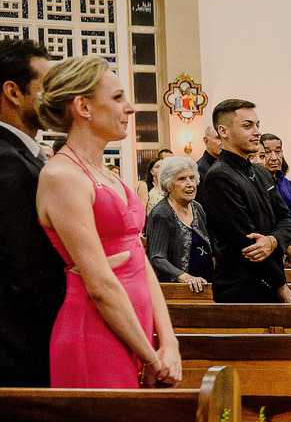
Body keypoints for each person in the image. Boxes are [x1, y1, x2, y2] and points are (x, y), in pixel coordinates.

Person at [34, 56, 182, 388]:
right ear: (83, 106)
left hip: (135, 328)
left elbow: (138, 257)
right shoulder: (62, 175)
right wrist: (151, 357)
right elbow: (100, 285)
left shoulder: (107, 174)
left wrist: (168, 341)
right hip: (95, 329)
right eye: (117, 98)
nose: (129, 108)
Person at [0, 38, 65, 387]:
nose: (57, 97)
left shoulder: (25, 156)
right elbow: (29, 272)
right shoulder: (7, 162)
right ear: (13, 92)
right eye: (48, 86)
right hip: (20, 352)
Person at [198, 99, 291, 303]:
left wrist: (272, 240)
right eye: (247, 126)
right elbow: (246, 241)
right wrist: (280, 285)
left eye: (257, 125)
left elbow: (286, 218)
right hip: (240, 288)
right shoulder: (219, 176)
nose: (257, 132)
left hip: (270, 276)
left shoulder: (260, 172)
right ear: (223, 131)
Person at [145, 157, 212, 291]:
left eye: (192, 178)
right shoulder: (162, 213)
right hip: (179, 290)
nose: (190, 184)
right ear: (168, 185)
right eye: (182, 179)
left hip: (204, 284)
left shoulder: (196, 208)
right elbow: (157, 258)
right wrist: (184, 277)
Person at [261, 133, 291, 267]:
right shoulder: (259, 186)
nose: (274, 157)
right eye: (267, 152)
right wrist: (290, 252)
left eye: (278, 151)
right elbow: (268, 224)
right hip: (271, 253)